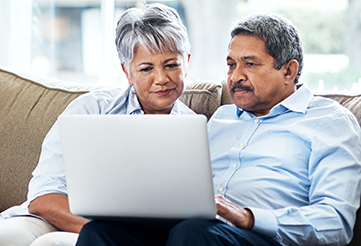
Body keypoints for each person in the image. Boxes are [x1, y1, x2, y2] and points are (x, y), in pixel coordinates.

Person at [75, 13, 361, 246]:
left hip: (263, 238)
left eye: (250, 64)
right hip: (195, 231)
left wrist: (249, 217)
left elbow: (336, 222)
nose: (235, 76)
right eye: (230, 64)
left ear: (288, 71)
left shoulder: (329, 122)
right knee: (99, 232)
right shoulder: (220, 118)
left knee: (193, 233)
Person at [0, 3, 193, 246]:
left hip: (133, 235)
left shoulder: (196, 130)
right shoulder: (90, 110)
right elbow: (43, 198)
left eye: (171, 65)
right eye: (146, 68)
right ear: (127, 72)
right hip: (57, 218)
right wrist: (109, 234)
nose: (162, 79)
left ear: (186, 61)